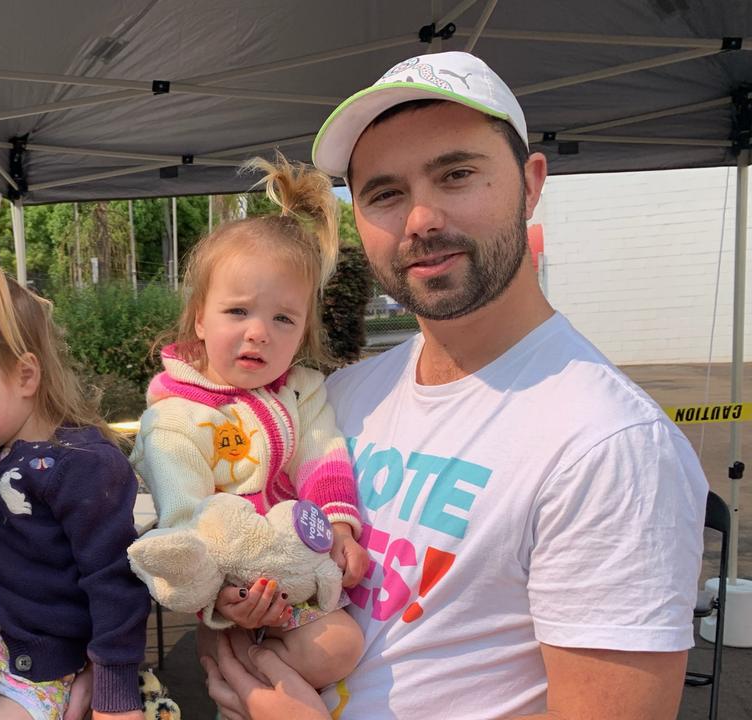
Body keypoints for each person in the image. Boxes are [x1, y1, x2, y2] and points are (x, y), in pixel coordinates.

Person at [202, 50, 707, 720]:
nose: (420, 220)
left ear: (531, 183)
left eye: (457, 175)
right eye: (384, 193)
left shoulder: (609, 446)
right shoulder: (348, 398)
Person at [131, 156, 369, 692]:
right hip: (234, 586)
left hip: (293, 575)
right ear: (200, 316)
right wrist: (220, 597)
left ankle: (245, 686)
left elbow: (322, 456)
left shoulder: (301, 391)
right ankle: (251, 686)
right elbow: (184, 516)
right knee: (327, 647)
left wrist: (340, 528)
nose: (259, 332)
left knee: (341, 646)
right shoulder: (175, 417)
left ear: (304, 328)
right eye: (238, 311)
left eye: (283, 318)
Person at [0, 237, 150, 720]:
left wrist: (115, 695)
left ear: (24, 376)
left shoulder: (80, 464)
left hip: (40, 677)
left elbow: (115, 579)